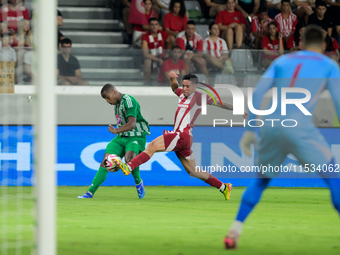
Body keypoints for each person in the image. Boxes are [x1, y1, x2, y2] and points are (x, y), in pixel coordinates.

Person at [224, 25, 340, 249]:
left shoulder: (282, 62)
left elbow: (258, 92)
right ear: (325, 46)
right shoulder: (329, 65)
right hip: (300, 127)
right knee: (333, 177)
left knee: (261, 180)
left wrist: (250, 129)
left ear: (301, 43)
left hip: (270, 125)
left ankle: (234, 231)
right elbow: (338, 102)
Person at [113, 73, 249, 200]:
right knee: (194, 172)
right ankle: (224, 187)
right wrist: (173, 79)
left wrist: (238, 109)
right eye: (183, 85)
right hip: (183, 138)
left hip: (182, 135)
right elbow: (174, 88)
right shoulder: (182, 94)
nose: (184, 88)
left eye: (187, 86)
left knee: (152, 146)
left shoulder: (199, 97)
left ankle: (129, 167)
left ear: (195, 87)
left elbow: (220, 103)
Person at [78, 84, 150, 199]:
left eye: (108, 98)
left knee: (129, 159)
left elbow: (132, 124)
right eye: (105, 99)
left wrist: (116, 130)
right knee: (106, 161)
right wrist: (118, 132)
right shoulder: (116, 104)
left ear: (113, 92)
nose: (107, 101)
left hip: (135, 136)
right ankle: (89, 192)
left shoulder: (129, 101)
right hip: (121, 137)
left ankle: (138, 183)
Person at [141, 17, 169, 85]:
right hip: (151, 58)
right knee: (148, 61)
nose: (154, 27)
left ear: (159, 26)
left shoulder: (163, 34)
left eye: (156, 24)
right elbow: (145, 54)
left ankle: (168, 84)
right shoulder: (145, 36)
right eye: (152, 25)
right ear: (149, 26)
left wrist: (168, 53)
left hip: (162, 57)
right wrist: (158, 59)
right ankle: (147, 84)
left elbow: (171, 41)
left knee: (168, 61)